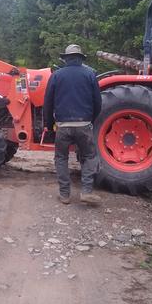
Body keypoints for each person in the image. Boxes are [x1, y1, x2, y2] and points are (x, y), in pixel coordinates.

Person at [43, 44, 102, 205]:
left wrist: (49, 125)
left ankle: (65, 195)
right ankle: (86, 191)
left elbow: (47, 103)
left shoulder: (56, 75)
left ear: (66, 59)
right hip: (84, 125)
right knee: (89, 156)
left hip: (63, 126)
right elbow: (98, 102)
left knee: (61, 158)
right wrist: (91, 120)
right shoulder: (90, 75)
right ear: (81, 58)